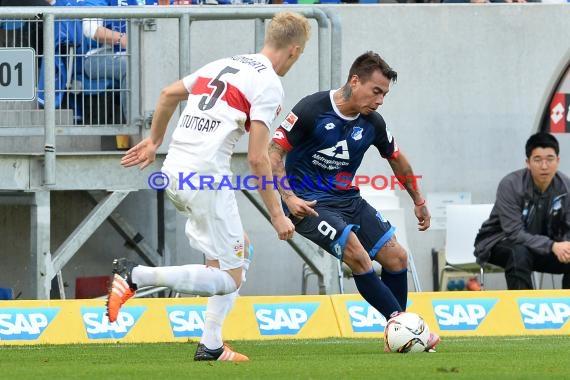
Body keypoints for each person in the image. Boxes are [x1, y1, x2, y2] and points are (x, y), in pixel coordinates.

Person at [107, 11, 311, 361]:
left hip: (174, 171)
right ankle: (135, 275)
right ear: (294, 50)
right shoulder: (269, 84)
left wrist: (155, 140)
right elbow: (259, 159)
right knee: (230, 278)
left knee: (236, 251)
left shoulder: (224, 63)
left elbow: (168, 93)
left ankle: (211, 344)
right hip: (206, 178)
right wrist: (277, 214)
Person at [267, 51, 439, 352]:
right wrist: (288, 197)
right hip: (308, 204)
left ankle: (397, 335)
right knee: (357, 254)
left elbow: (397, 160)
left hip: (348, 199)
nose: (381, 100)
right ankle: (404, 325)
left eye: (384, 94)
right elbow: (274, 152)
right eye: (376, 91)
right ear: (355, 81)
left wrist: (418, 199)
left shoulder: (373, 122)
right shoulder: (312, 109)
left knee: (397, 256)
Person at [474, 132, 570, 289]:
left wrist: (566, 247)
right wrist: (552, 246)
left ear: (558, 161)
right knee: (519, 252)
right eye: (538, 160)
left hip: (545, 245)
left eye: (550, 159)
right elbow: (514, 233)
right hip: (500, 243)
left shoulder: (566, 187)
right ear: (528, 162)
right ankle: (523, 310)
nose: (544, 166)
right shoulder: (511, 185)